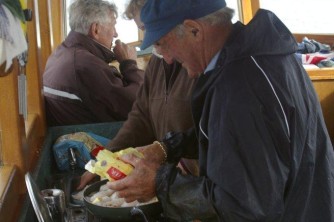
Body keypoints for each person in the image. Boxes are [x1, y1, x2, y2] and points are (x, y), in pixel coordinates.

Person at [106, 0, 334, 221]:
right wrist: (168, 148)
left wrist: (160, 183)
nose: (166, 59)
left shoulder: (242, 85)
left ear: (194, 30)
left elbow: (245, 205)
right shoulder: (252, 58)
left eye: (162, 45)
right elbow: (231, 136)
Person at [77, 0, 198, 190]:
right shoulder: (158, 62)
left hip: (197, 182)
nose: (150, 42)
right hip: (169, 178)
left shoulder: (199, 62)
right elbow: (141, 115)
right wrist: (106, 159)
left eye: (149, 29)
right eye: (143, 30)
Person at [43, 0, 144, 126]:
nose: (116, 34)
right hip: (96, 139)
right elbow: (140, 104)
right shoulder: (85, 65)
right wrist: (129, 64)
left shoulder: (61, 52)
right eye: (113, 26)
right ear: (95, 29)